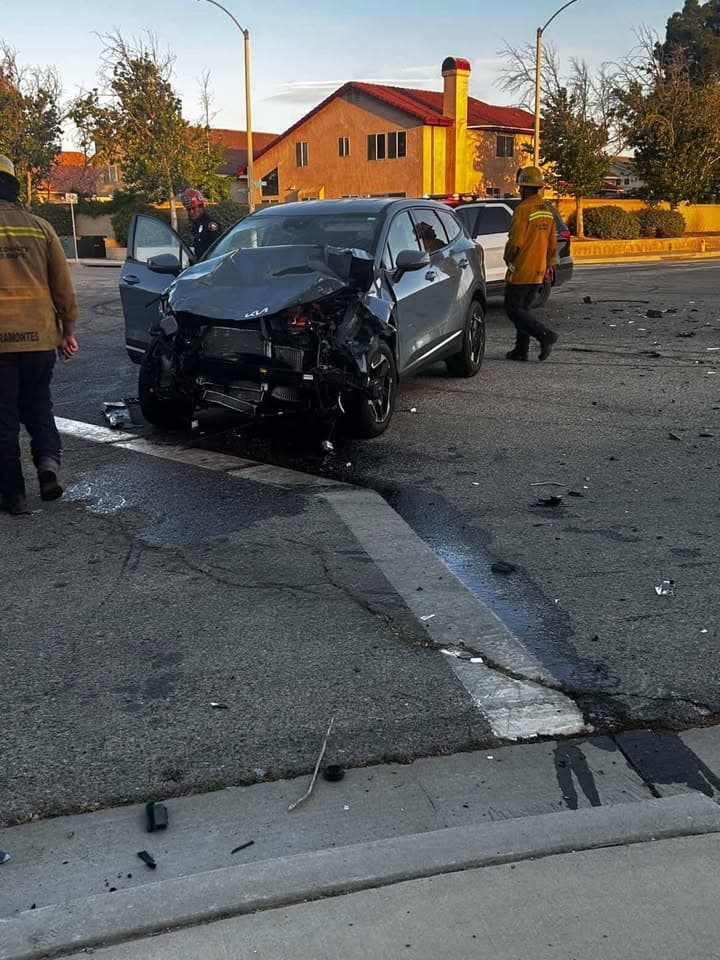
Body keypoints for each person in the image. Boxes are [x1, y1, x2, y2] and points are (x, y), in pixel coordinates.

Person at [0, 155, 79, 516]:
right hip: (39, 340)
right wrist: (67, 332)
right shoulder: (41, 228)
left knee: (3, 418)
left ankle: (14, 494)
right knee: (38, 404)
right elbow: (63, 288)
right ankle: (48, 463)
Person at [503, 166, 558, 362]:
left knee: (513, 308)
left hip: (522, 269)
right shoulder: (547, 211)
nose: (519, 192)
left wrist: (508, 258)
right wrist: (549, 267)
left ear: (525, 188)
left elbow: (516, 242)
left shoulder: (523, 210)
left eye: (520, 188)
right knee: (524, 309)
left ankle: (545, 335)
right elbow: (552, 243)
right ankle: (521, 349)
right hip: (539, 270)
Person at [180, 188, 221, 258]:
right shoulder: (196, 225)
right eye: (188, 210)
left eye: (194, 208)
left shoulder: (210, 225)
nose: (191, 212)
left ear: (201, 207)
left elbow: (218, 249)